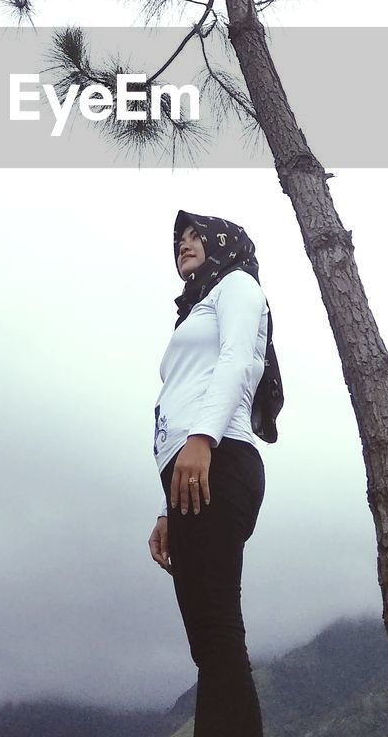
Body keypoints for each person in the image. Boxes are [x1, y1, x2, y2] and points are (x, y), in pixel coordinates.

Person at [148, 208, 268, 737]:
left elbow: (240, 360)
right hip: (193, 476)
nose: (184, 243)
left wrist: (202, 441)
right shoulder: (194, 309)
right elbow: (185, 390)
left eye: (196, 235)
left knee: (217, 630)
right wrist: (171, 509)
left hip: (220, 458)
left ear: (224, 243)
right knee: (207, 640)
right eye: (178, 238)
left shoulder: (238, 285)